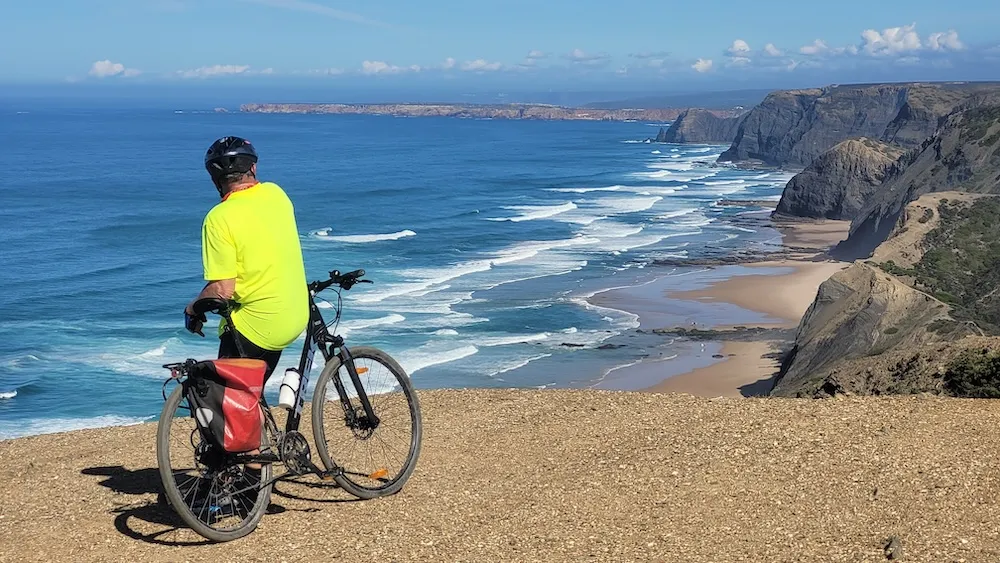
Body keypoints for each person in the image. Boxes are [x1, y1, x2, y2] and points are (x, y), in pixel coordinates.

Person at [184, 136, 309, 382]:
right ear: (253, 167)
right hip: (294, 315)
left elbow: (223, 290)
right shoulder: (277, 194)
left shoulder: (219, 218)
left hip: (258, 327)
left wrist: (192, 309)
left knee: (222, 398)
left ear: (214, 179)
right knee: (255, 388)